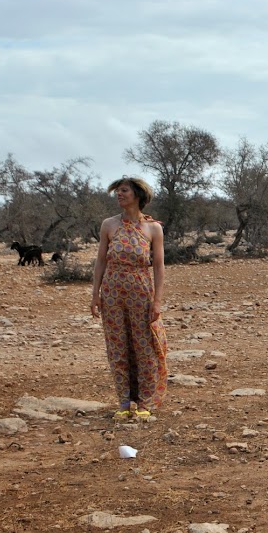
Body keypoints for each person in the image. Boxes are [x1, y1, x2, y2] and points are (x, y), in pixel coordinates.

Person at [91, 176, 168, 420]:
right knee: (118, 346)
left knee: (144, 346)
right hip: (112, 293)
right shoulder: (108, 225)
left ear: (137, 195)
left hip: (141, 293)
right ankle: (124, 402)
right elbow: (101, 261)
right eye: (117, 191)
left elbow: (158, 266)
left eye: (124, 191)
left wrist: (157, 301)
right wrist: (95, 294)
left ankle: (144, 402)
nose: (119, 195)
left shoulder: (153, 228)